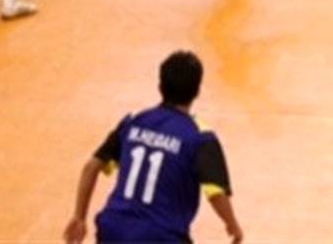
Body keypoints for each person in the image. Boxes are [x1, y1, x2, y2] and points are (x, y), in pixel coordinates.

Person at [62, 51, 243, 244]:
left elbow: (91, 167)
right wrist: (233, 226)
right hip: (160, 237)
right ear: (197, 91)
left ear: (160, 86)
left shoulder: (133, 122)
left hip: (112, 230)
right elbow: (216, 193)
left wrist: (79, 217)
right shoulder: (200, 138)